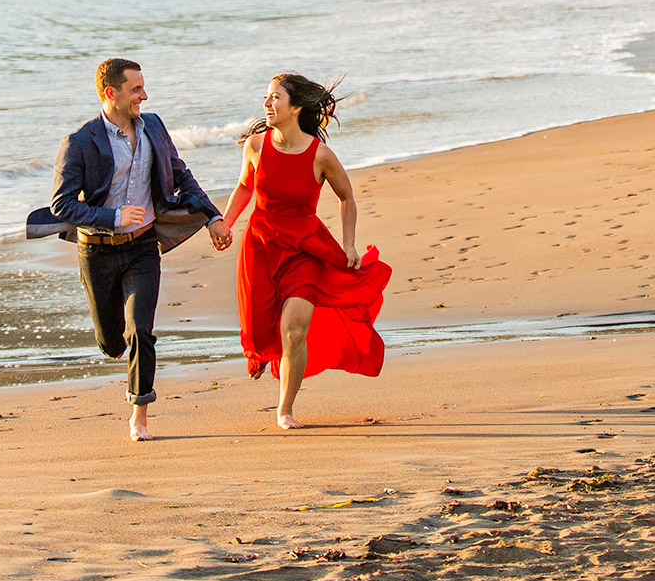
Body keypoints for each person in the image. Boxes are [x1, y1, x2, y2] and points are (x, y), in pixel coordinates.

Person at [26, 57, 230, 441]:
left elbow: (181, 173)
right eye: (136, 89)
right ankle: (112, 343)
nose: (144, 95)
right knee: (112, 341)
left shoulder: (152, 125)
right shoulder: (80, 142)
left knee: (142, 331)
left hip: (142, 248)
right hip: (97, 251)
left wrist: (211, 217)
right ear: (111, 93)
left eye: (143, 87)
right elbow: (62, 205)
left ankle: (139, 412)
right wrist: (113, 216)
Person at [217, 73, 390, 429]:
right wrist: (225, 223)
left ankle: (285, 409)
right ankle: (265, 357)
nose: (267, 103)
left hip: (304, 251)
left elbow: (347, 197)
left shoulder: (320, 154)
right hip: (261, 248)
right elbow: (244, 188)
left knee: (294, 329)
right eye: (266, 96)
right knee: (258, 329)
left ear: (295, 107)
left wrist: (350, 243)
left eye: (275, 97)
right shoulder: (255, 147)